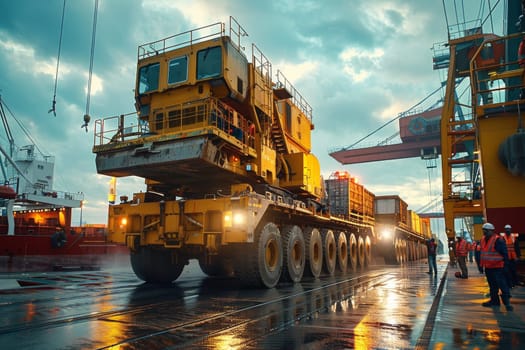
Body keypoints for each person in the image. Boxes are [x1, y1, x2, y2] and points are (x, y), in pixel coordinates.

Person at [480, 222, 513, 311]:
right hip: (488, 268)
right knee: (493, 286)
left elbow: (504, 254)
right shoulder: (483, 239)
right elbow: (482, 253)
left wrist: (506, 266)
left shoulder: (498, 240)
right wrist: (481, 265)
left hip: (498, 268)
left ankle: (507, 303)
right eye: (484, 230)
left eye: (486, 231)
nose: (484, 232)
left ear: (491, 231)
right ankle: (495, 301)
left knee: (502, 285)